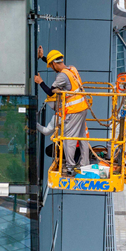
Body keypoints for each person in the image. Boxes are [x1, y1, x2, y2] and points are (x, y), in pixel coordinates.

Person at [34, 46, 90, 174]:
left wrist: (40, 81)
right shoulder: (71, 69)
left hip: (74, 110)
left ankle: (70, 167)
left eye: (51, 65)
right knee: (82, 137)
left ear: (53, 64)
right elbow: (56, 65)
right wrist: (43, 57)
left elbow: (50, 92)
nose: (52, 68)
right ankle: (84, 164)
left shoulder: (62, 77)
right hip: (82, 107)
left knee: (69, 139)